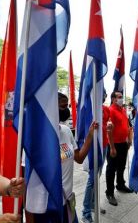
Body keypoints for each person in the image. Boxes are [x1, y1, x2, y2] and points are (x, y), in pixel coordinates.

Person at [26, 93, 97, 223]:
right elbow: (27, 186)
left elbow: (79, 158)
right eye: (62, 106)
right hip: (46, 207)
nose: (66, 110)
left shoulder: (66, 130)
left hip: (67, 201)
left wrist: (90, 135)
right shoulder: (35, 138)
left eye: (66, 106)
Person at [81, 90, 115, 223]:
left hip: (104, 147)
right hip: (93, 147)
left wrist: (109, 130)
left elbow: (108, 127)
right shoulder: (89, 110)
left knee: (97, 176)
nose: (102, 97)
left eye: (103, 94)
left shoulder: (106, 109)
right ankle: (85, 212)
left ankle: (93, 204)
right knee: (92, 179)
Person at [105, 91, 132, 207]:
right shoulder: (110, 111)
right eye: (119, 97)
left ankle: (120, 184)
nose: (121, 99)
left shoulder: (123, 110)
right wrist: (112, 147)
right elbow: (109, 130)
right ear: (113, 99)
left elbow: (128, 126)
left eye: (122, 97)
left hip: (123, 144)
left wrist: (129, 139)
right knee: (111, 169)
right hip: (114, 145)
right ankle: (109, 193)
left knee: (121, 166)